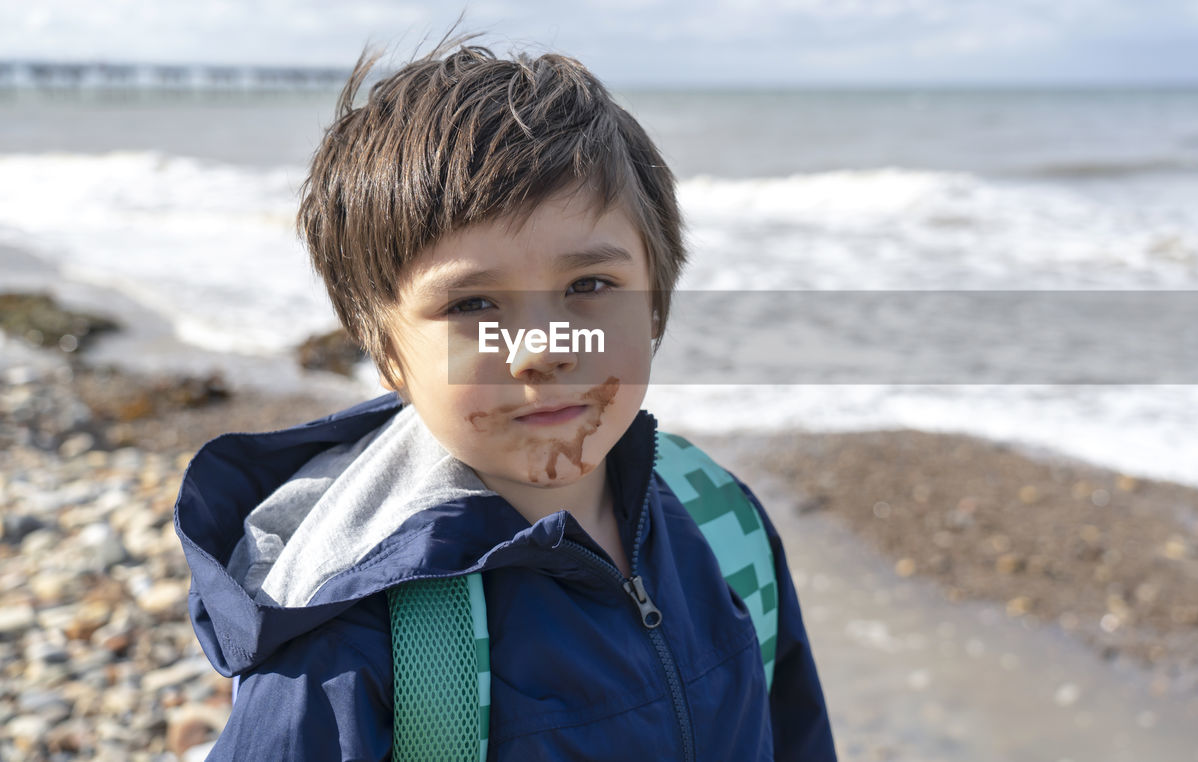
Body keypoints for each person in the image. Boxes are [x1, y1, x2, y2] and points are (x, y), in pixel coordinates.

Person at [175, 37, 837, 761]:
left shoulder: (719, 519)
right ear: (388, 351)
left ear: (653, 303)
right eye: (475, 303)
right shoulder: (349, 636)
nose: (545, 349)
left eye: (589, 286)